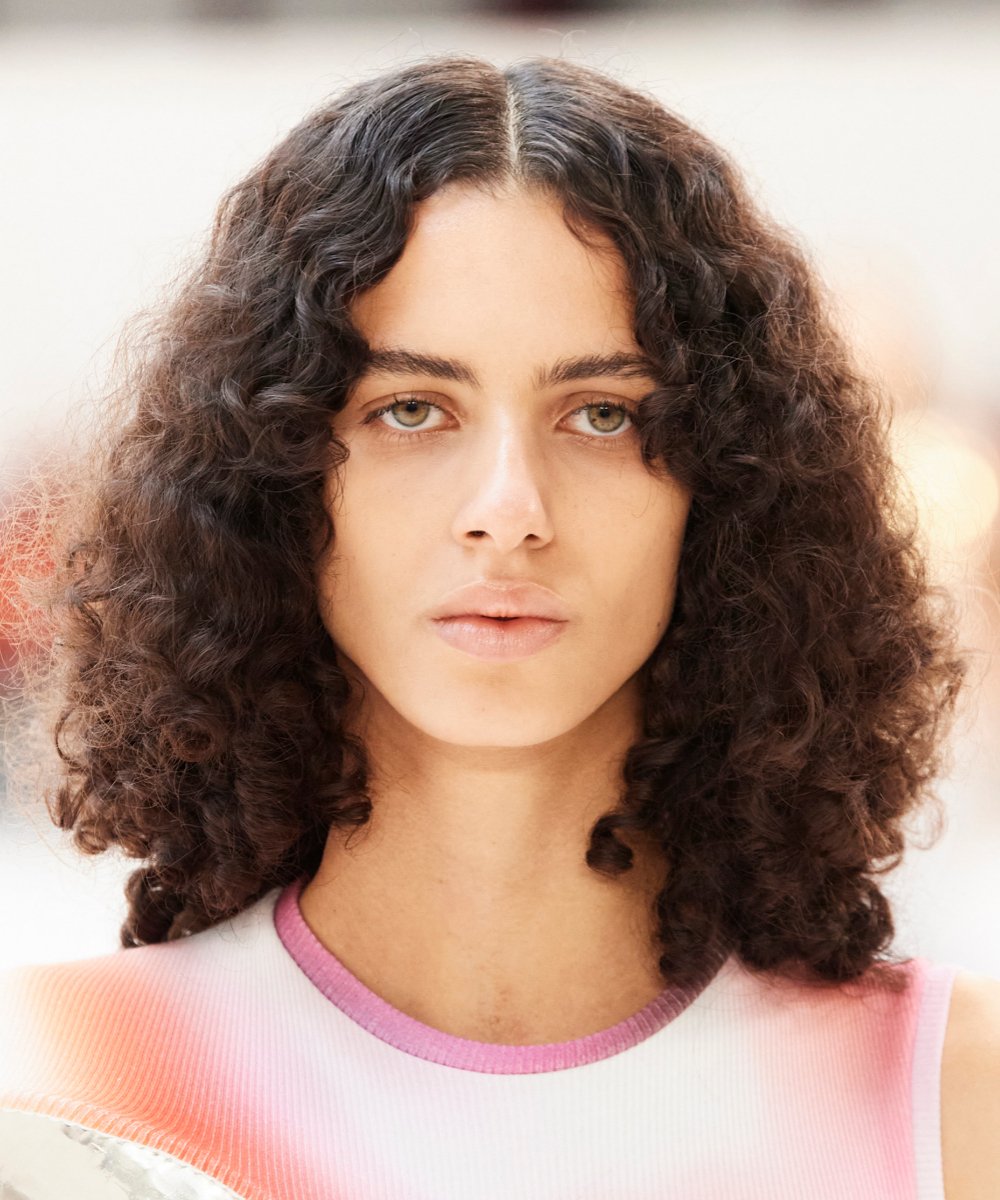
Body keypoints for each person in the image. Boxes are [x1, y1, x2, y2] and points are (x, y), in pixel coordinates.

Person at [0, 52, 997, 1200]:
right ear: (273, 486)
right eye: (412, 409)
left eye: (603, 414)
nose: (508, 512)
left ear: (727, 491)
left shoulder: (955, 1106)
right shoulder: (55, 1096)